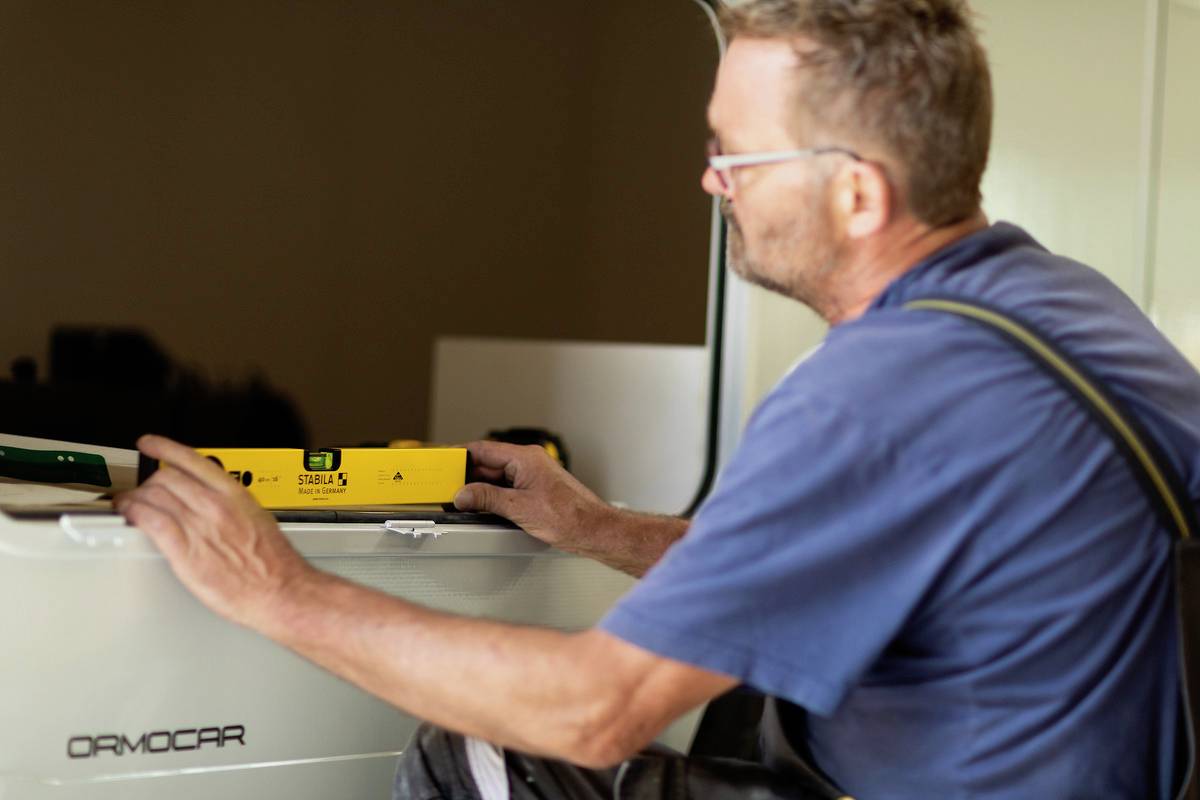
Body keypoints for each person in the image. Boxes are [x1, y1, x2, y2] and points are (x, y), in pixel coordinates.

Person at [116, 0, 1200, 797]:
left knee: (489, 753)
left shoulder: (872, 397)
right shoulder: (1069, 307)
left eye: (735, 153)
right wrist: (594, 527)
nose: (710, 179)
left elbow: (594, 710)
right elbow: (842, 550)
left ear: (858, 191)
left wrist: (276, 589)